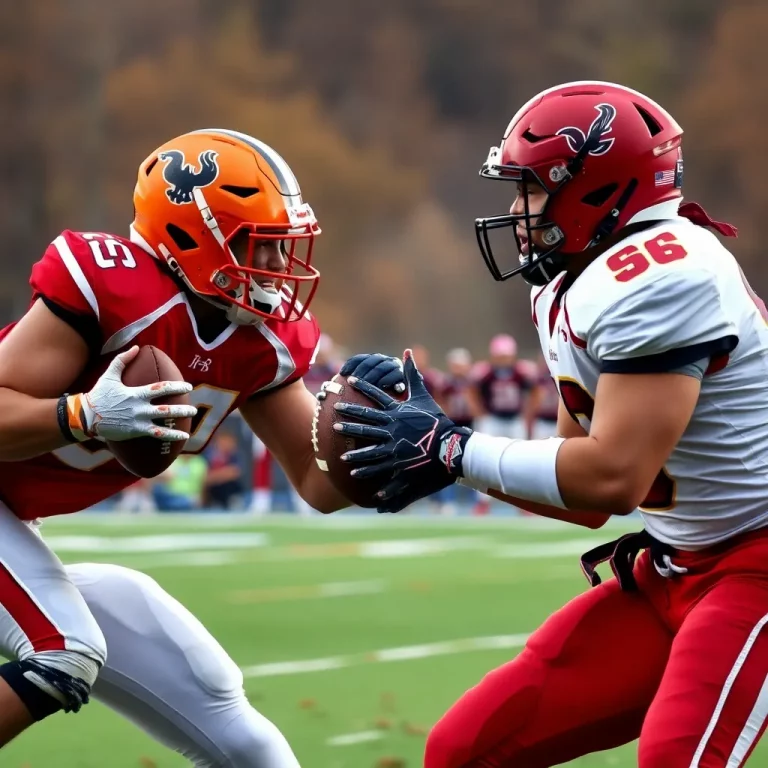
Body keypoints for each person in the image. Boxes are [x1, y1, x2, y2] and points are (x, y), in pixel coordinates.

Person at [334, 81, 768, 766]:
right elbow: (579, 490)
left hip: (755, 566)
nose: (516, 210)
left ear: (597, 189)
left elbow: (614, 478)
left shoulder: (661, 274)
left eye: (531, 189)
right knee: (465, 749)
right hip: (675, 564)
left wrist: (451, 449)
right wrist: (440, 455)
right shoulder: (570, 279)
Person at [0, 128, 391, 765]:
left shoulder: (258, 340)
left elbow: (317, 481)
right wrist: (84, 414)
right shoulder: (117, 290)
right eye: (259, 246)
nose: (275, 268)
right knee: (64, 652)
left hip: (17, 518)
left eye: (279, 248)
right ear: (189, 236)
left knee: (242, 735)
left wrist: (400, 450)